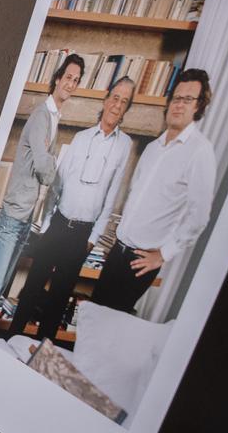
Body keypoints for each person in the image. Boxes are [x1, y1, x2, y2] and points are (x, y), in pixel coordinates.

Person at [8, 76, 135, 339]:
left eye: (124, 101)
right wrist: (45, 225)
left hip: (82, 234)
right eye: (115, 97)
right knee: (32, 287)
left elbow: (112, 194)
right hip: (57, 225)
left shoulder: (124, 146)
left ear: (126, 108)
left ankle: (39, 357)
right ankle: (9, 341)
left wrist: (93, 238)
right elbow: (57, 184)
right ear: (106, 99)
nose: (117, 105)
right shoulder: (81, 138)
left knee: (58, 298)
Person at [0, 54, 83, 332]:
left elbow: (45, 164)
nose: (71, 83)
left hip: (24, 220)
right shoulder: (42, 116)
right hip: (12, 218)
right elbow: (45, 170)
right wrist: (51, 161)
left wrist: (48, 158)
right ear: (57, 78)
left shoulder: (55, 118)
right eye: (68, 77)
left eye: (76, 80)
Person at [91, 68, 217, 313]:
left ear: (198, 107)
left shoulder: (200, 152)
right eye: (177, 98)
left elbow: (199, 216)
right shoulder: (153, 148)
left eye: (188, 99)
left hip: (141, 260)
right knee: (91, 319)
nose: (179, 105)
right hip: (117, 250)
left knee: (108, 330)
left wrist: (163, 254)